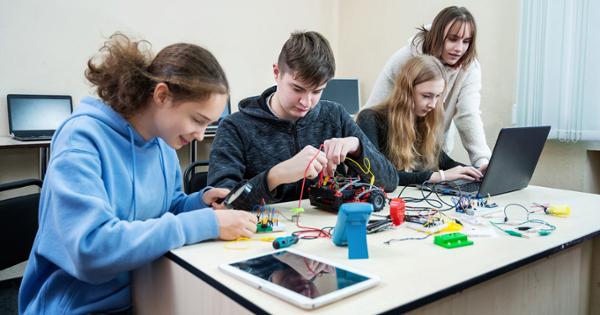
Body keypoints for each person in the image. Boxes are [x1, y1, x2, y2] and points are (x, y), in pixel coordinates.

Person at [19, 33, 257, 314]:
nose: (200, 135)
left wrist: (199, 203)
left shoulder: (163, 144)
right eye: (197, 120)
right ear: (162, 95)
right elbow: (91, 249)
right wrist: (207, 224)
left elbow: (166, 209)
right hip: (79, 306)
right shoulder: (81, 139)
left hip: (144, 294)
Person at [208, 31, 398, 210]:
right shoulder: (235, 127)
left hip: (328, 234)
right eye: (297, 89)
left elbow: (390, 182)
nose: (306, 102)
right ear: (277, 73)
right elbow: (222, 204)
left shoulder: (335, 116)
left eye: (317, 91)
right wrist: (276, 176)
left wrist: (357, 147)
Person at [365, 6, 491, 169]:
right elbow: (374, 110)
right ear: (438, 36)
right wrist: (368, 153)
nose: (459, 48)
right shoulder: (405, 59)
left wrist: (482, 162)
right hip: (393, 152)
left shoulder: (470, 67)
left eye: (466, 41)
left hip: (431, 149)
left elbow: (468, 114)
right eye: (453, 39)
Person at [357, 55, 483, 186]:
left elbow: (447, 164)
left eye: (438, 96)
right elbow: (377, 174)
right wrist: (439, 176)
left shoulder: (423, 121)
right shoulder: (369, 119)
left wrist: (478, 172)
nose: (433, 105)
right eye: (427, 96)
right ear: (407, 91)